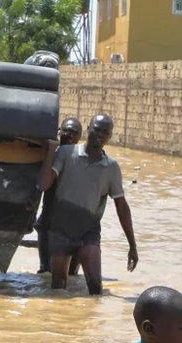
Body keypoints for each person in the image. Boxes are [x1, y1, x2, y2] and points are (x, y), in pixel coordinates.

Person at [37, 113, 138, 295]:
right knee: (58, 289)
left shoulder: (111, 168)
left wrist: (132, 245)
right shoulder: (67, 154)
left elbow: (121, 207)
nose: (99, 135)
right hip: (60, 230)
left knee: (95, 290)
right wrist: (52, 151)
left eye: (104, 133)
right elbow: (44, 185)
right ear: (88, 129)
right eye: (96, 130)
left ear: (109, 137)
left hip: (88, 231)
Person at [36, 116, 82, 273]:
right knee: (46, 272)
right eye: (66, 130)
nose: (68, 135)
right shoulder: (50, 155)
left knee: (72, 275)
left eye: (73, 132)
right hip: (49, 217)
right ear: (58, 132)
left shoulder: (82, 160)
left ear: (80, 137)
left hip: (73, 219)